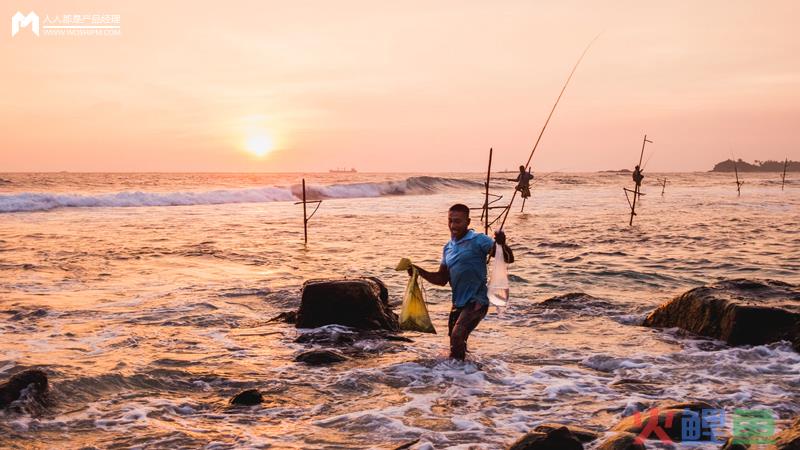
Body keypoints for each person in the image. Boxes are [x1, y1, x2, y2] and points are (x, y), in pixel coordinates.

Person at [410, 204, 514, 360]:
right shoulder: (448, 248)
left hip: (477, 302)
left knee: (457, 337)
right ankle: (464, 378)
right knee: (456, 345)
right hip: (457, 304)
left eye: (457, 221)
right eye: (450, 221)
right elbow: (442, 279)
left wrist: (501, 245)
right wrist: (419, 272)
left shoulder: (479, 240)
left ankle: (460, 375)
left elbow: (508, 258)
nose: (453, 226)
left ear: (468, 222)